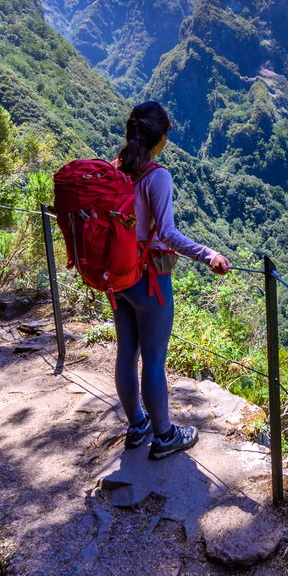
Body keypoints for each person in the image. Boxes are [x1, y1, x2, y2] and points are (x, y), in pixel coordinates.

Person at [113, 101, 231, 459]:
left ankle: (137, 425)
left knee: (125, 353)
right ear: (160, 137)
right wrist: (208, 254)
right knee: (153, 360)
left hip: (118, 276)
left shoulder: (116, 170)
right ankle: (164, 436)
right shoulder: (156, 176)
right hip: (150, 277)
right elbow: (167, 233)